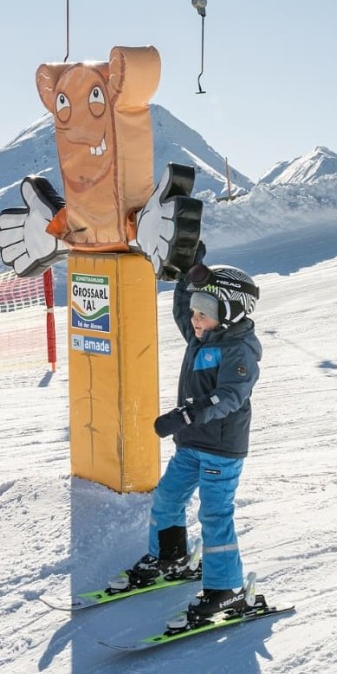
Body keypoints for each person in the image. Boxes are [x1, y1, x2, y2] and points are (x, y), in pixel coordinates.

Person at [118, 242, 262, 624]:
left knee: (214, 515)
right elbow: (183, 309)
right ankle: (171, 556)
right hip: (191, 444)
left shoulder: (239, 350)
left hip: (220, 448)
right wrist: (187, 275)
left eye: (204, 313)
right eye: (196, 313)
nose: (194, 320)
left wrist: (185, 415)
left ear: (229, 313)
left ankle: (225, 590)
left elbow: (229, 396)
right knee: (166, 498)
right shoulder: (203, 336)